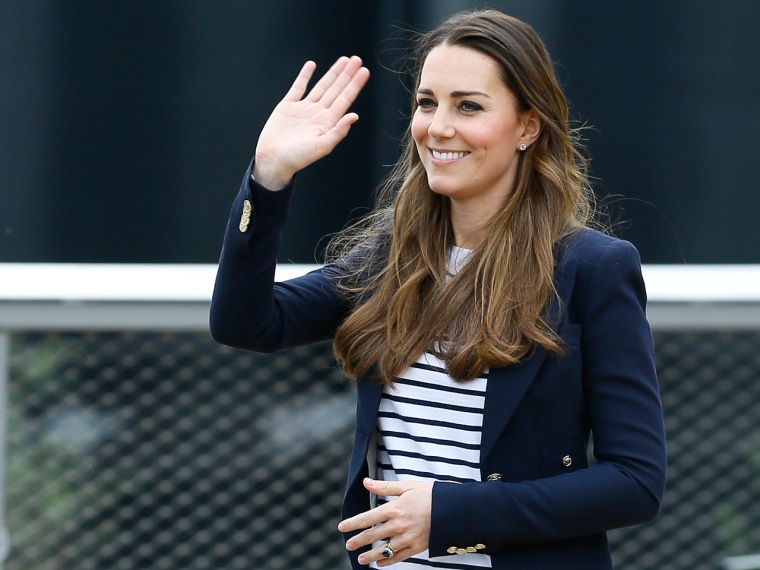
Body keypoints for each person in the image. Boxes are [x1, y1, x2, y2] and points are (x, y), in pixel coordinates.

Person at [209, 8, 666, 570]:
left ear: (527, 126)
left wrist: (452, 513)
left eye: (468, 105)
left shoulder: (592, 268)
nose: (438, 126)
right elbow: (245, 324)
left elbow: (635, 482)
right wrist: (269, 177)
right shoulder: (393, 257)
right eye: (427, 102)